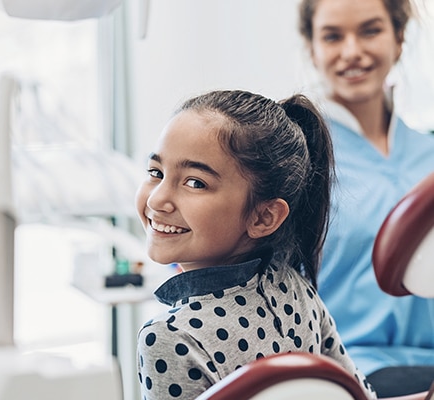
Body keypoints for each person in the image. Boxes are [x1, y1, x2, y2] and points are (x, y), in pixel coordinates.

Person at [134, 89, 377, 399]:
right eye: (156, 172)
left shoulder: (170, 338)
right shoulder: (292, 284)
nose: (157, 200)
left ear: (264, 217)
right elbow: (360, 394)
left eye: (195, 182)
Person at [298, 0, 434, 396]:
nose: (352, 51)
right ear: (312, 48)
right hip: (352, 371)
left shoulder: (427, 153)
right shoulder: (294, 161)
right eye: (333, 36)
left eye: (370, 30)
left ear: (399, 38)